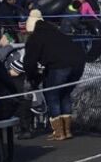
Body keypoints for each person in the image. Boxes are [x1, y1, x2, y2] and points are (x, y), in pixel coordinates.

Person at [16, 9, 86, 141]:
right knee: (64, 94)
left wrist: (33, 77)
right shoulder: (56, 32)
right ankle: (67, 130)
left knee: (52, 95)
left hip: (59, 65)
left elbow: (29, 63)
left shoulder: (35, 38)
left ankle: (59, 131)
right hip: (78, 62)